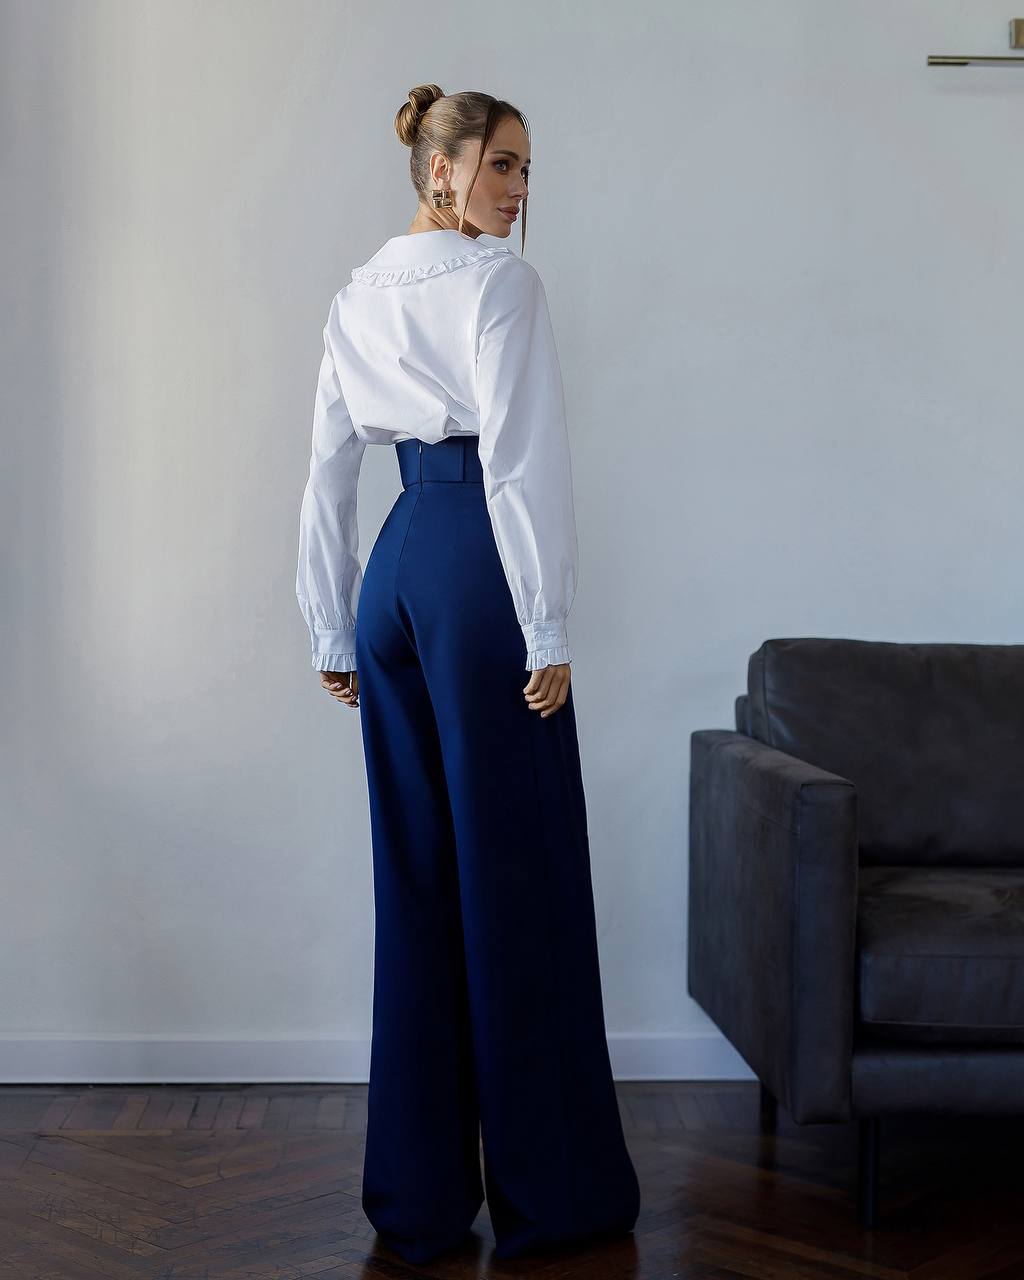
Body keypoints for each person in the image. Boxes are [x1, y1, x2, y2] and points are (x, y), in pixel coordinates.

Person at [295, 84, 640, 1267]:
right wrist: (545, 624)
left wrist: (333, 625)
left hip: (395, 566)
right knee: (518, 874)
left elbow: (327, 468)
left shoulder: (357, 292)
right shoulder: (499, 283)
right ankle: (555, 1195)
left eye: (528, 169)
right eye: (502, 165)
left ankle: (419, 1199)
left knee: (418, 880)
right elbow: (521, 459)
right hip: (477, 570)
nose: (519, 190)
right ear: (440, 168)